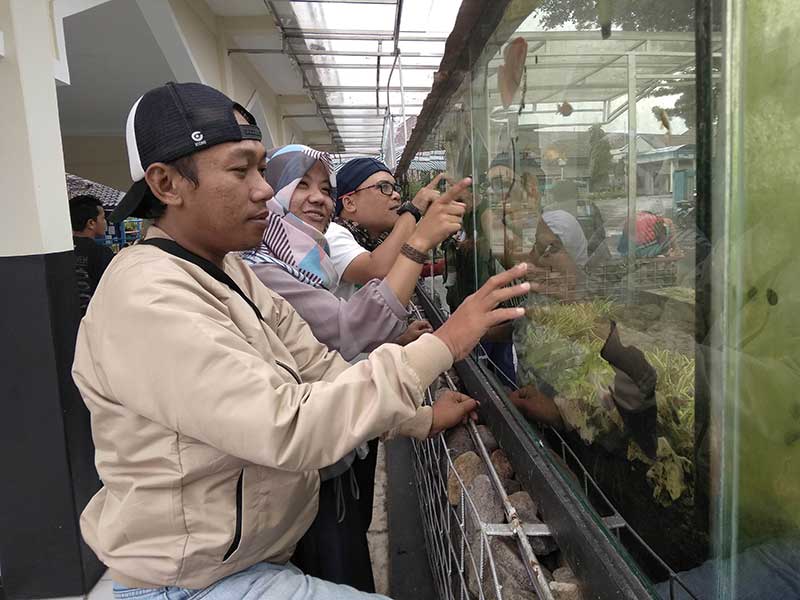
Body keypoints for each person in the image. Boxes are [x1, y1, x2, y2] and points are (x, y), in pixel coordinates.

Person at [72, 81, 532, 600]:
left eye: (263, 170)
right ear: (167, 184)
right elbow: (289, 424)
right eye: (240, 170)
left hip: (247, 560)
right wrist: (446, 342)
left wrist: (419, 419)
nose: (265, 190)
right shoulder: (149, 298)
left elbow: (321, 365)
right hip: (189, 583)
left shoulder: (228, 272)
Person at [241, 144, 468, 590]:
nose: (317, 198)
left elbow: (330, 360)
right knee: (338, 562)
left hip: (341, 443)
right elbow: (348, 330)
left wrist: (415, 419)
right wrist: (418, 234)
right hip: (316, 466)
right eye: (300, 185)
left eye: (324, 188)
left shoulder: (308, 256)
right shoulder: (265, 270)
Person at [325, 158, 443, 299]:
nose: (396, 195)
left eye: (394, 188)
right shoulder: (331, 235)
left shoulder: (376, 242)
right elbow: (376, 271)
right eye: (384, 187)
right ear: (349, 203)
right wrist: (412, 210)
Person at [69, 194, 115, 315]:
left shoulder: (61, 252)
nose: (106, 222)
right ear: (91, 223)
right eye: (103, 218)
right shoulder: (101, 253)